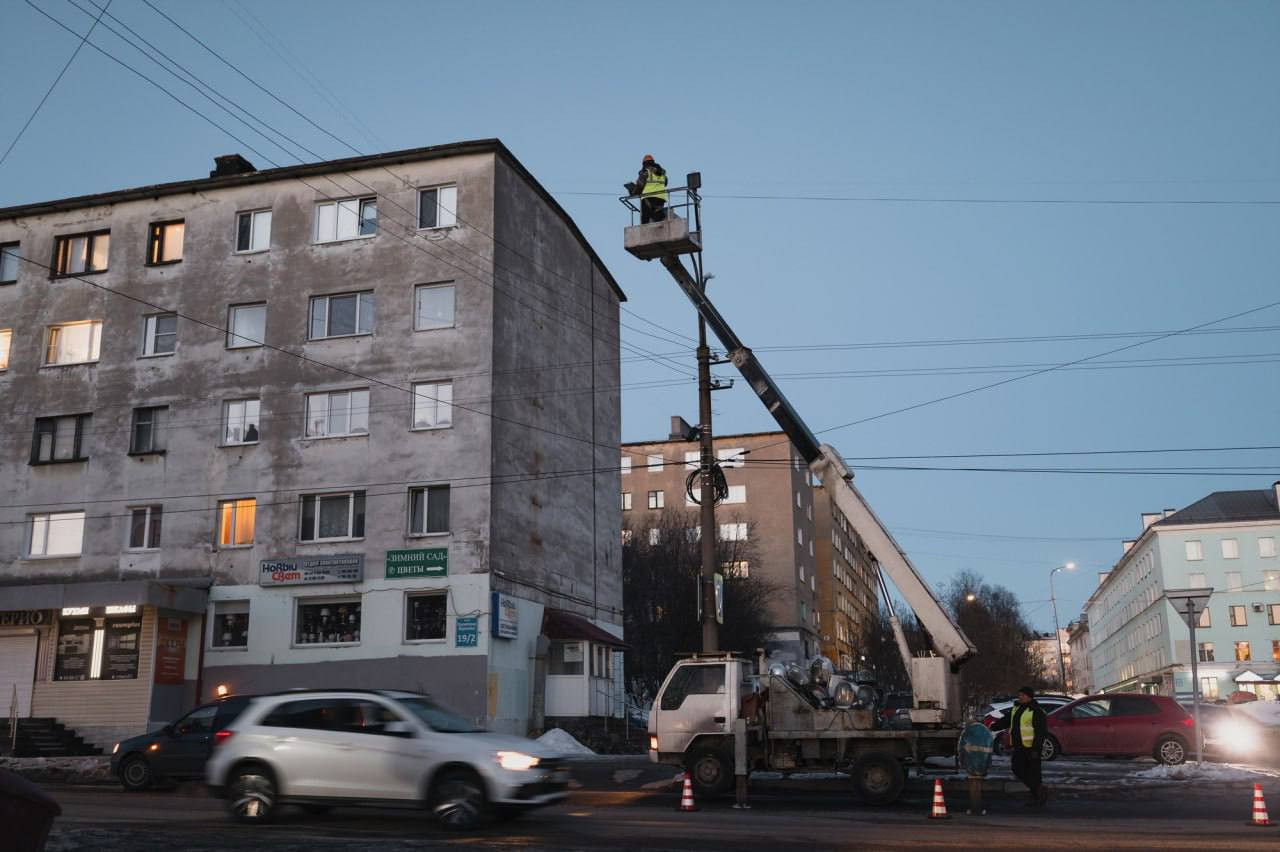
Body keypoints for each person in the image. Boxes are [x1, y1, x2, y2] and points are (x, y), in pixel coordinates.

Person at [1008, 685, 1049, 807]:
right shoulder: (1017, 708)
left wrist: (1036, 749)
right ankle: (1038, 790)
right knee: (1017, 768)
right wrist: (991, 726)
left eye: (1022, 695)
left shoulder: (1036, 710)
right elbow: (1007, 720)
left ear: (1029, 697)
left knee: (1034, 773)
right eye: (1019, 695)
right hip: (1019, 747)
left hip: (1031, 748)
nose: (1020, 697)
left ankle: (1037, 796)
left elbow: (1041, 731)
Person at [628, 154, 668, 223]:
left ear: (644, 163)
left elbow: (640, 186)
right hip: (661, 198)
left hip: (648, 198)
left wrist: (632, 191)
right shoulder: (662, 174)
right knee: (657, 216)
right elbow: (665, 183)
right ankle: (660, 218)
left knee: (645, 220)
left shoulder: (646, 172)